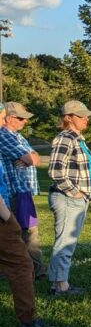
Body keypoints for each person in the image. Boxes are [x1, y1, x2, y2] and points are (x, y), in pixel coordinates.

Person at [47, 100, 91, 297]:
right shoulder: (65, 138)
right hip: (68, 198)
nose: (86, 118)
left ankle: (59, 282)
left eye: (86, 115)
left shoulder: (78, 138)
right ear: (68, 118)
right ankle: (60, 286)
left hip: (78, 199)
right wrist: (75, 192)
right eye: (81, 115)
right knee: (65, 243)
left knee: (67, 241)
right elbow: (55, 171)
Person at [0, 102, 45, 279]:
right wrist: (29, 158)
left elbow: (37, 158)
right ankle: (29, 270)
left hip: (23, 190)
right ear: (8, 118)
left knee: (30, 229)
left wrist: (30, 158)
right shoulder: (4, 136)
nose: (24, 122)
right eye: (20, 118)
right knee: (21, 232)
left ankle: (35, 269)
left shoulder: (18, 137)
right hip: (13, 192)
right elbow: (30, 157)